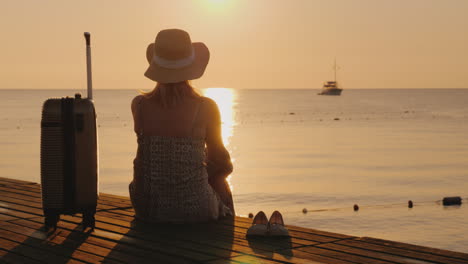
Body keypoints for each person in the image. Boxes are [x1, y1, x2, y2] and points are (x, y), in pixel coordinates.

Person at [129, 29, 235, 223]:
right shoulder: (206, 107)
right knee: (220, 177)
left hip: (147, 208)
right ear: (192, 66)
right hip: (195, 209)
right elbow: (220, 160)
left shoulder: (139, 105)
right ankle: (226, 235)